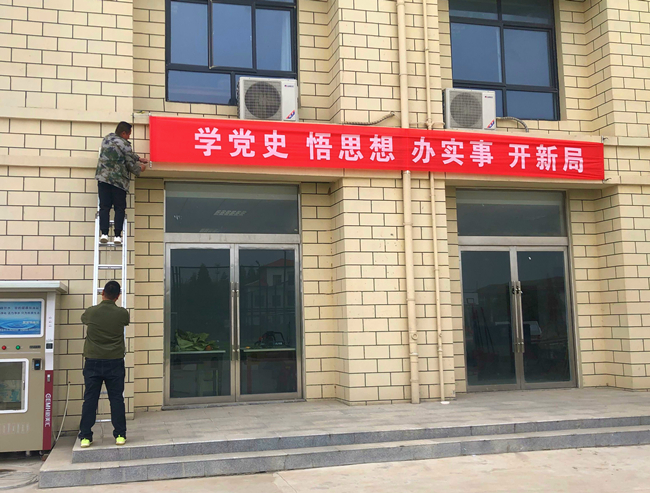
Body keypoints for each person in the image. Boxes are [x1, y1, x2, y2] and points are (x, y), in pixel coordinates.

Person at [78, 281, 129, 447]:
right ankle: (120, 435)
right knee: (116, 399)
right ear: (118, 296)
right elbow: (125, 322)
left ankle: (86, 437)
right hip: (115, 361)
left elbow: (83, 319)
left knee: (90, 399)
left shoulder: (91, 312)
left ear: (102, 293)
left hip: (92, 361)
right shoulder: (122, 313)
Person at [96, 121, 148, 245]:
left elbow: (121, 153)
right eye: (129, 134)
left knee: (104, 207)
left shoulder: (106, 139)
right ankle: (117, 235)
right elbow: (129, 163)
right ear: (124, 133)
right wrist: (140, 168)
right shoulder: (125, 145)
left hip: (103, 178)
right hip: (118, 181)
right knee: (119, 208)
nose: (129, 137)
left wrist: (138, 158)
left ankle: (104, 233)